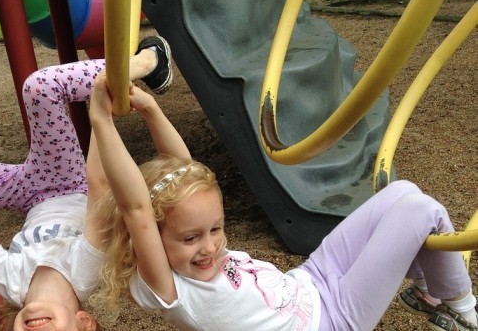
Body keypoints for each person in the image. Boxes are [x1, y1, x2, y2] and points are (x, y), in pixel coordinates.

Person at [87, 64, 478, 330]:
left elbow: (184, 170)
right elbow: (137, 206)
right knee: (420, 210)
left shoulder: (188, 243)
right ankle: (464, 311)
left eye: (215, 229)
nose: (209, 247)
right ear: (152, 238)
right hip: (331, 320)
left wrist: (153, 109)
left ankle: (429, 291)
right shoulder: (168, 288)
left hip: (310, 279)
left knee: (402, 192)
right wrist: (100, 121)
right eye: (190, 238)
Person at [0, 0, 174, 330]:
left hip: (27, 195)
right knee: (40, 88)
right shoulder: (86, 270)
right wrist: (102, 115)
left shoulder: (7, 281)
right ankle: (149, 62)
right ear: (84, 323)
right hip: (67, 184)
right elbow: (101, 188)